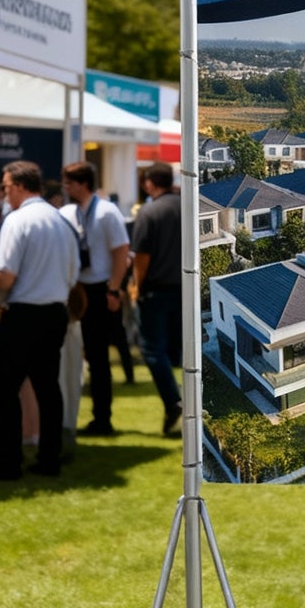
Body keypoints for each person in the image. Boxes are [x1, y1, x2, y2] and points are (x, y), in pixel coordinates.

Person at [0, 160, 79, 480]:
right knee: (47, 387)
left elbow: (6, 276)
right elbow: (72, 272)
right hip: (54, 311)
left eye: (7, 186)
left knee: (3, 386)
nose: (5, 193)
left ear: (21, 186)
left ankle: (10, 462)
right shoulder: (60, 220)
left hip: (24, 311)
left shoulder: (18, 219)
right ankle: (48, 458)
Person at [63, 162, 131, 438]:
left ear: (83, 183)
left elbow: (121, 251)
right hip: (77, 289)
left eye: (69, 183)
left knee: (99, 357)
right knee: (83, 354)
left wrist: (114, 290)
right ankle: (85, 415)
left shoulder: (106, 211)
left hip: (101, 289)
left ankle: (103, 419)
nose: (65, 188)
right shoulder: (69, 212)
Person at [130, 161, 183, 435]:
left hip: (156, 289)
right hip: (184, 289)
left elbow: (141, 255)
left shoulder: (149, 211)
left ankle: (174, 402)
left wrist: (136, 286)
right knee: (182, 349)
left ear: (149, 183)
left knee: (153, 350)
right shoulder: (185, 205)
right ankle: (189, 401)